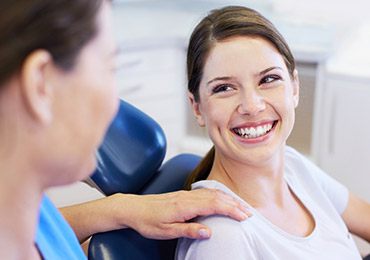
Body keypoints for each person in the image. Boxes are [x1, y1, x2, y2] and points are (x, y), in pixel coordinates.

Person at [0, 1, 252, 259]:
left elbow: (50, 235)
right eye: (109, 69)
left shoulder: (28, 209)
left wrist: (121, 209)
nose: (115, 107)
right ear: (40, 85)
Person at [176, 6, 370, 260]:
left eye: (268, 80)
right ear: (197, 107)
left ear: (294, 88)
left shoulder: (294, 166)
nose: (252, 106)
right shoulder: (222, 237)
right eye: (224, 88)